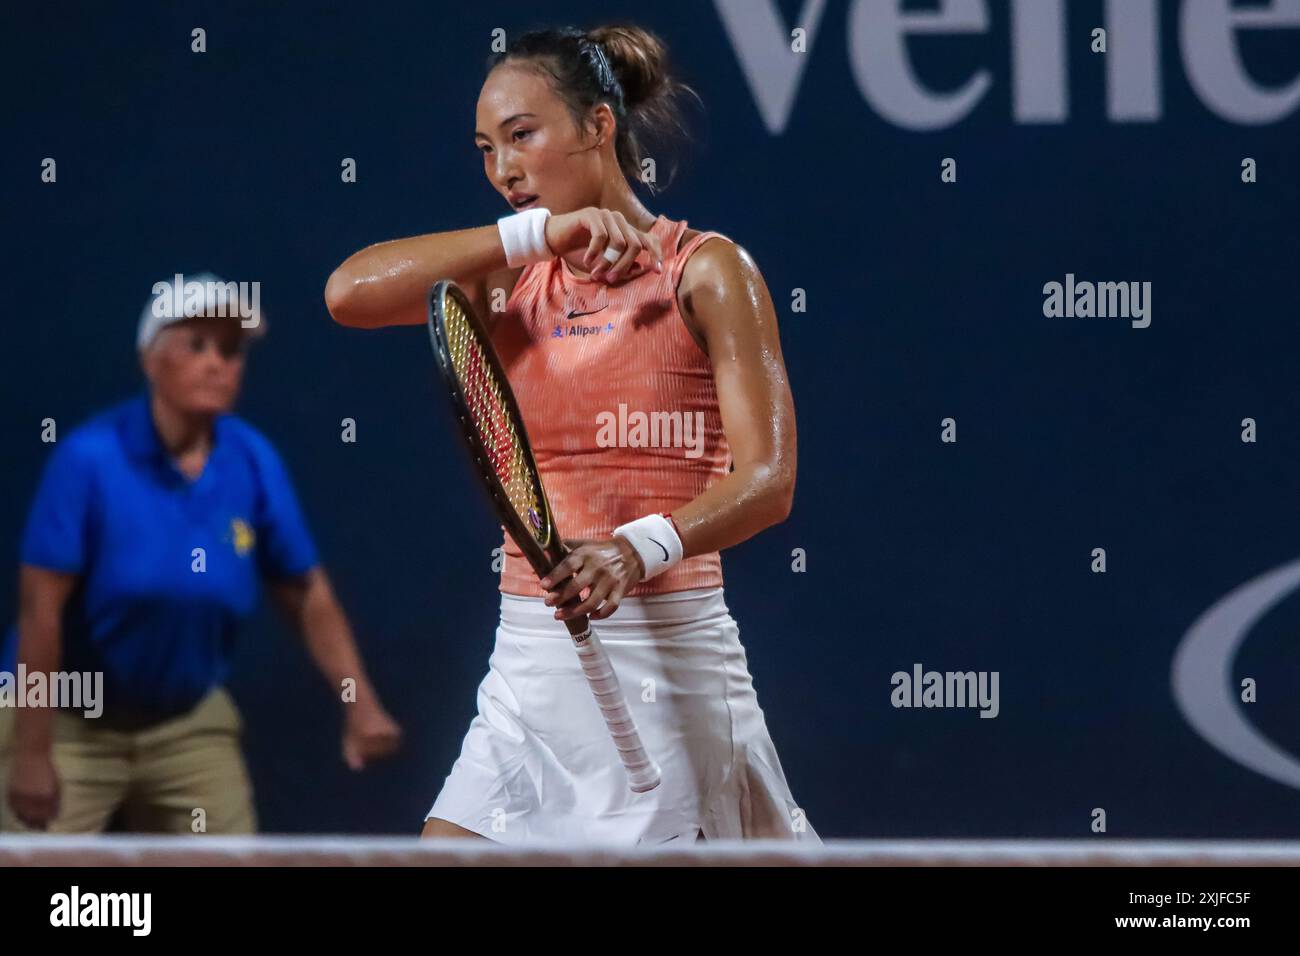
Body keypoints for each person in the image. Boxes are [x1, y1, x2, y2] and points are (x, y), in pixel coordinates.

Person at [325, 24, 816, 844]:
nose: (504, 168)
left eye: (523, 135)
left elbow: (770, 481)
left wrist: (634, 550)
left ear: (598, 126)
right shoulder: (510, 273)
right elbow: (348, 293)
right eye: (486, 148)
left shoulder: (707, 269)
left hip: (669, 660)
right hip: (532, 652)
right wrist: (539, 235)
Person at [0, 273, 401, 833]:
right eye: (196, 344)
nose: (217, 362)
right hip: (68, 717)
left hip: (186, 722)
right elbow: (40, 611)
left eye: (231, 350)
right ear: (150, 358)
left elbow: (306, 593)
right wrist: (31, 751)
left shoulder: (253, 459)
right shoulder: (87, 460)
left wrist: (359, 702)